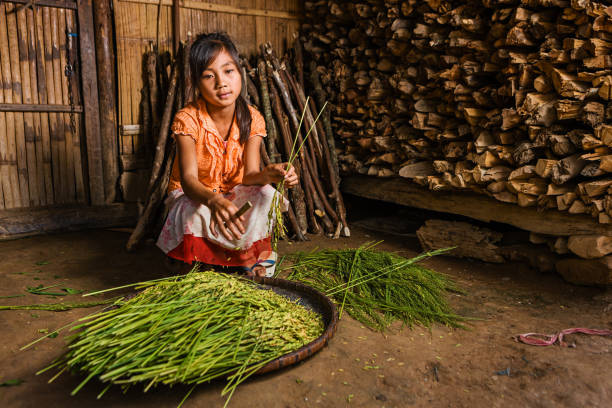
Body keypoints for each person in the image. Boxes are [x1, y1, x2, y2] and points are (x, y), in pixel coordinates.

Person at [156, 32, 298, 277]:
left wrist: (270, 174)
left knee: (266, 194)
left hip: (234, 190)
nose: (221, 82)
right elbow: (189, 181)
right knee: (193, 210)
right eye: (209, 76)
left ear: (239, 72)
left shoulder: (252, 118)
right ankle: (196, 263)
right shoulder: (188, 119)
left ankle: (251, 258)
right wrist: (213, 200)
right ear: (197, 83)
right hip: (194, 194)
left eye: (228, 71)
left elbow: (250, 175)